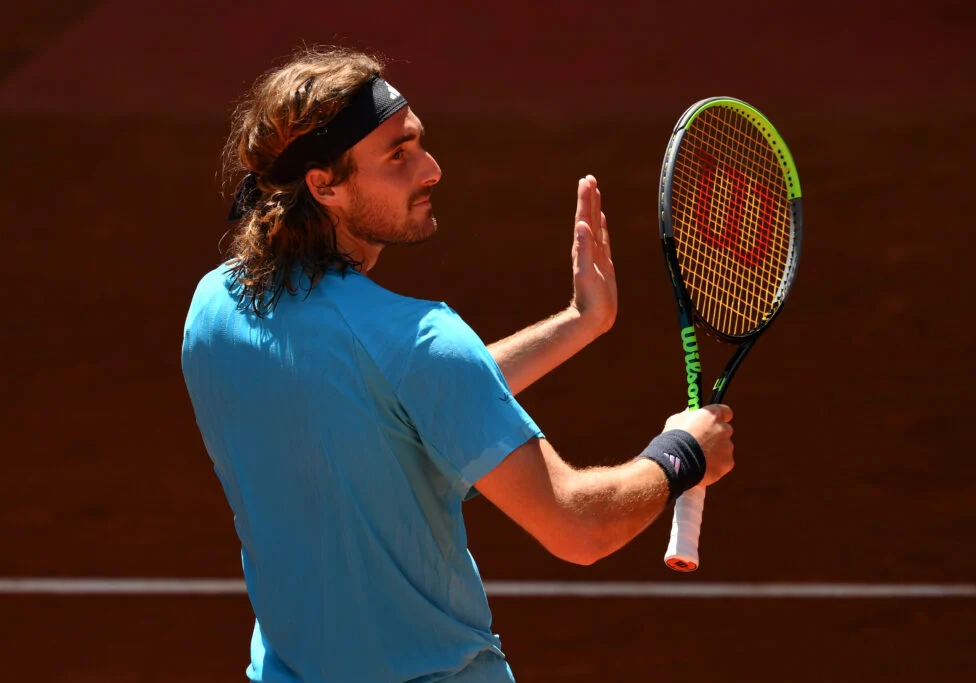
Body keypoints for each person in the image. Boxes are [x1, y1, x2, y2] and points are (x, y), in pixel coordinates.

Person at [181, 47, 735, 683]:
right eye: (398, 155)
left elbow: (394, 402)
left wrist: (580, 323)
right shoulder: (420, 343)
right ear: (324, 185)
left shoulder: (215, 308)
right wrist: (680, 455)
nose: (431, 168)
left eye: (419, 144)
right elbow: (577, 526)